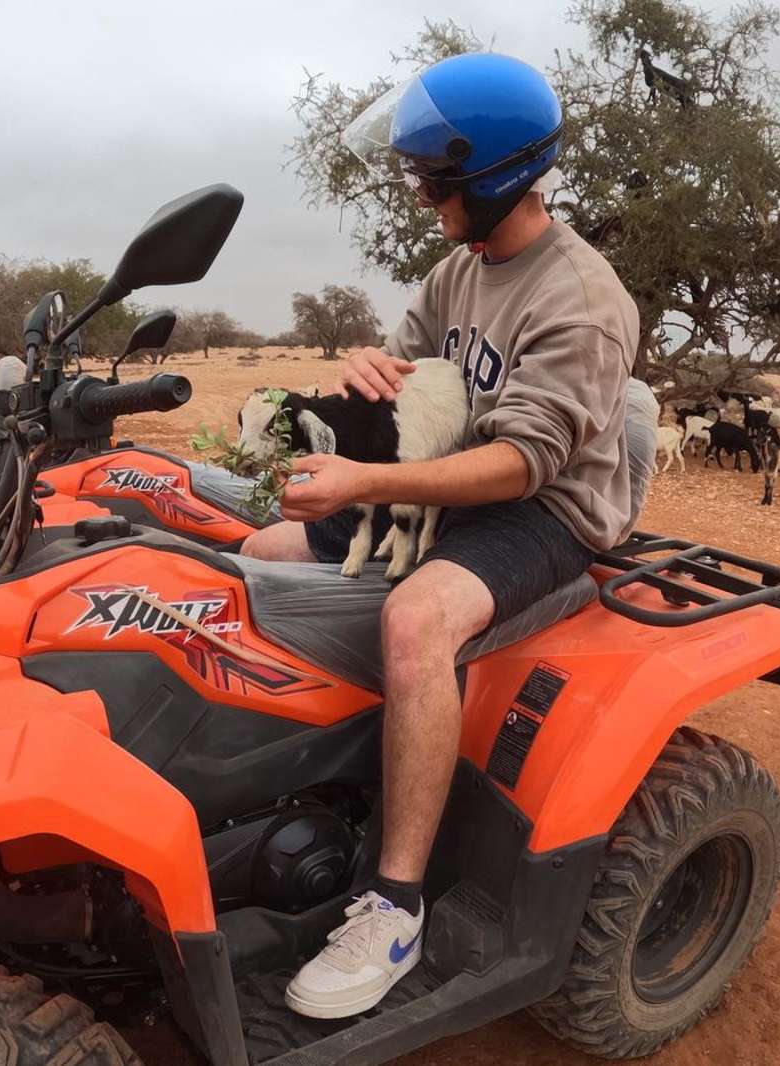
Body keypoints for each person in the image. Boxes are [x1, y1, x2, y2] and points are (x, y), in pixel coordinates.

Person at [236, 53, 639, 1019]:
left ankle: (395, 902)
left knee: (418, 621)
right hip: (444, 488)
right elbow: (417, 377)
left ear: (493, 175)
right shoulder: (459, 268)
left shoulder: (580, 300)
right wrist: (373, 367)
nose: (420, 194)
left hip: (543, 512)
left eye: (434, 176)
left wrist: (364, 481)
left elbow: (525, 464)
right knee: (258, 556)